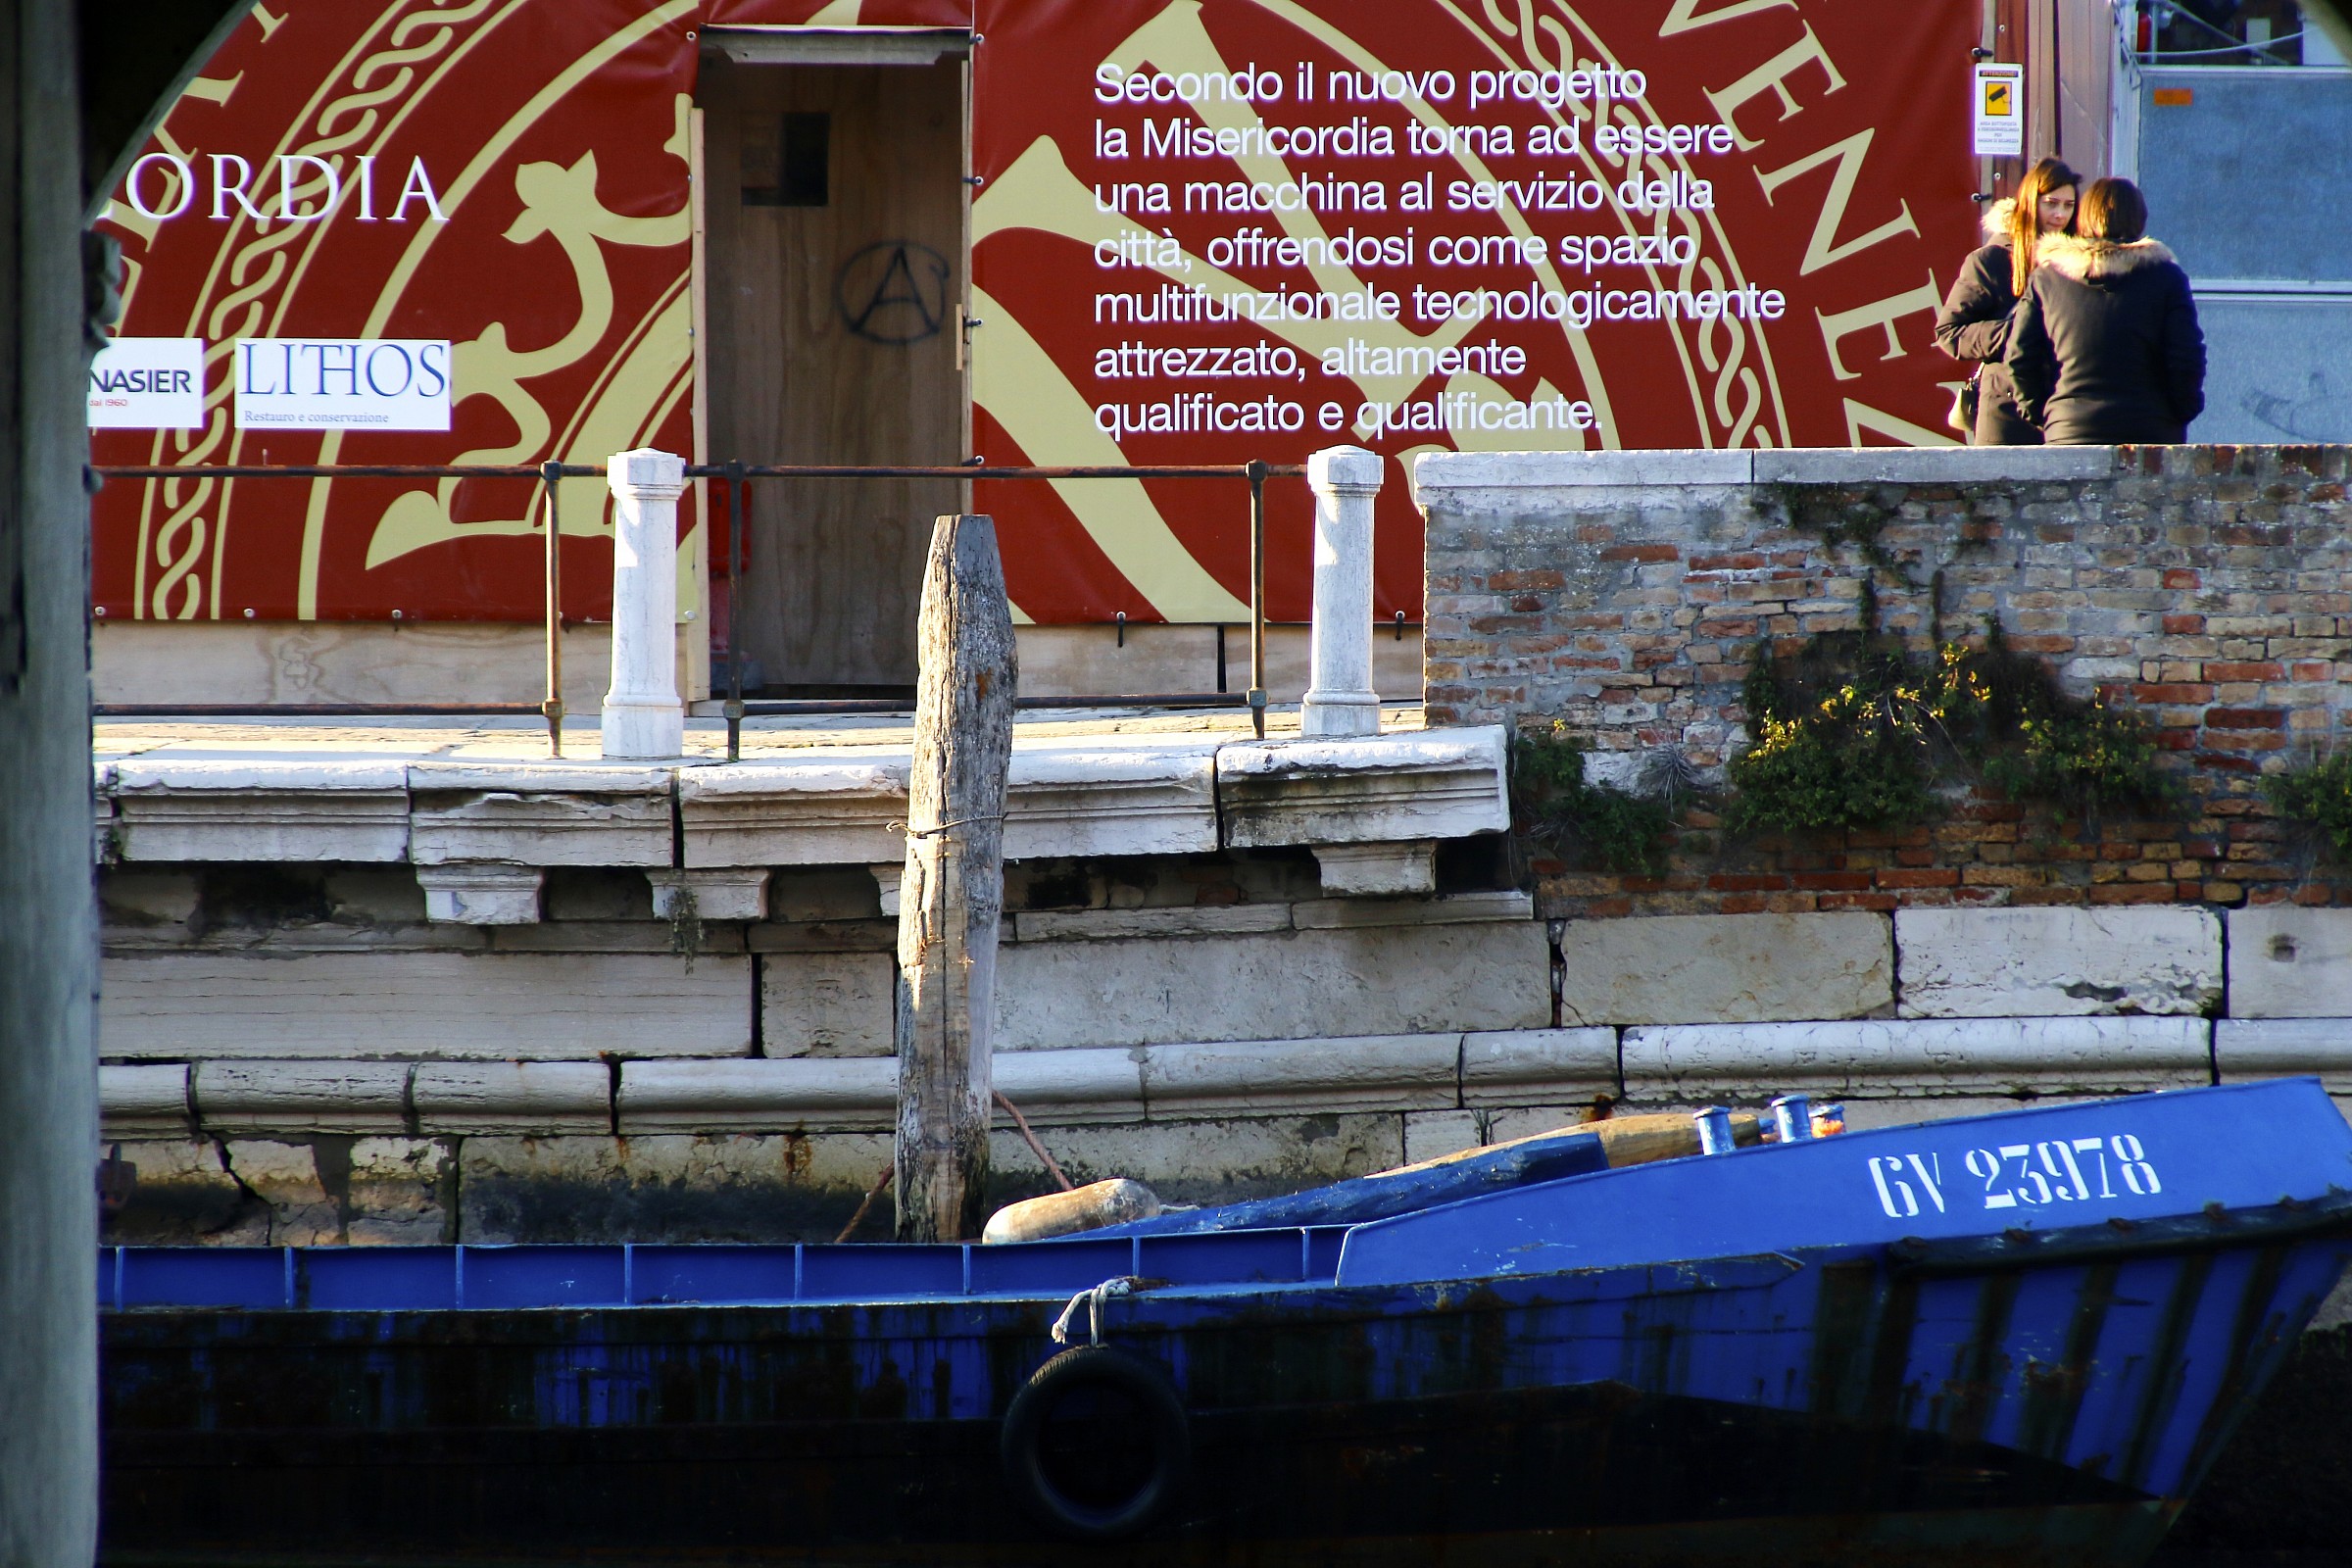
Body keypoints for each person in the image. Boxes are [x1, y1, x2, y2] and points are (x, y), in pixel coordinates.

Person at [2005, 176, 2207, 445]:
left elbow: (2020, 358)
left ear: (2083, 216)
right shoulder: (2166, 277)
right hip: (2151, 429)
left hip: (2069, 429)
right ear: (2139, 218)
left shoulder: (2048, 278)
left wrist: (2047, 415)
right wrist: (2179, 413)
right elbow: (2186, 358)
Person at [1934, 158, 2079, 445]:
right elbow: (1949, 333)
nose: (2060, 215)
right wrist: (2017, 333)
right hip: (2005, 410)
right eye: (2051, 203)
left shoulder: (2079, 262)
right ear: (2030, 202)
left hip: (2065, 410)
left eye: (2068, 205)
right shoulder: (1992, 259)